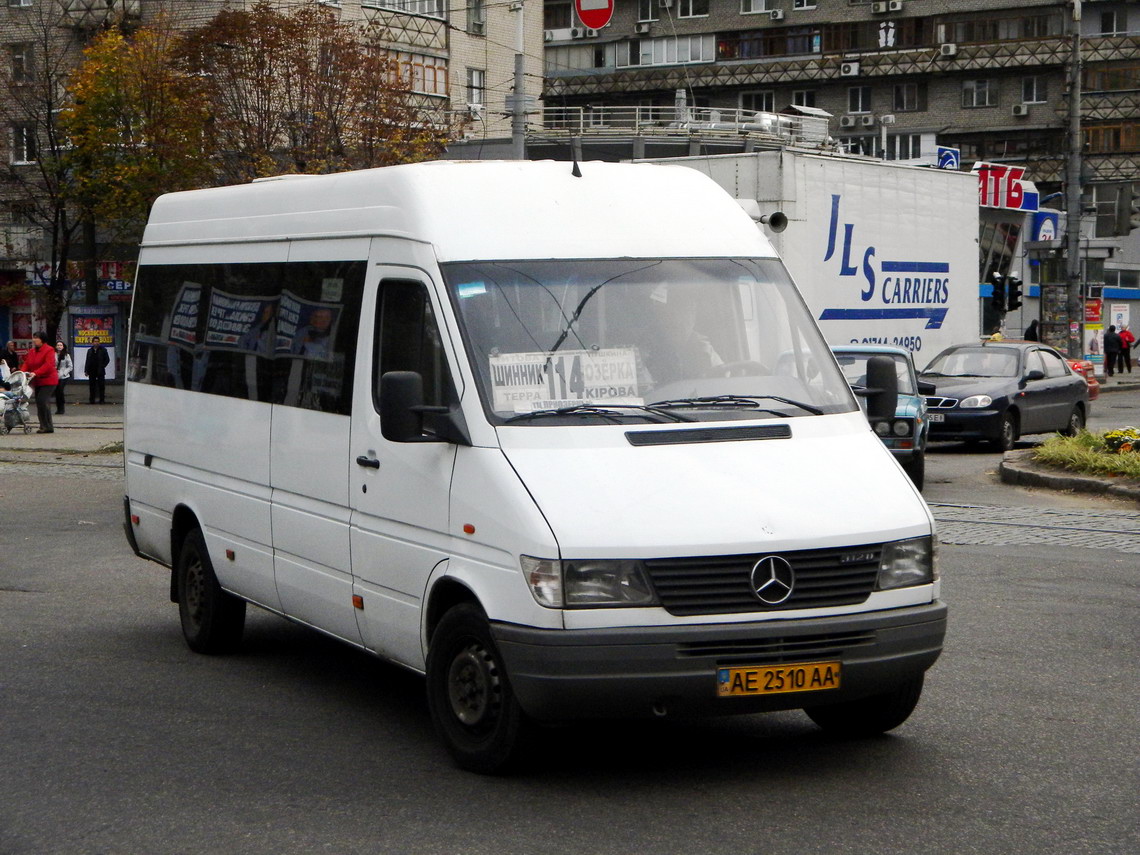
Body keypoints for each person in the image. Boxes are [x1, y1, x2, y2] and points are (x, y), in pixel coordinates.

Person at [18, 331, 58, 433]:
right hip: (38, 381)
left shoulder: (49, 350)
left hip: (49, 380)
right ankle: (46, 426)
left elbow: (48, 365)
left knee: (42, 401)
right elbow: (27, 363)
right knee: (41, 402)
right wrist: (21, 373)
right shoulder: (32, 351)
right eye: (34, 337)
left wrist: (36, 372)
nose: (34, 340)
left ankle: (46, 426)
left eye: (37, 338)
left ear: (42, 339)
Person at [85, 338, 110, 404]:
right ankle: (92, 400)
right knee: (92, 386)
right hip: (92, 370)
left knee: (101, 386)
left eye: (98, 341)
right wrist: (86, 370)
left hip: (100, 370)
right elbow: (87, 361)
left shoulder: (103, 350)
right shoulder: (90, 351)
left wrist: (102, 366)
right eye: (95, 341)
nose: (96, 343)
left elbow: (107, 359)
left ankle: (102, 400)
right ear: (92, 343)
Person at [54, 340, 73, 414]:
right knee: (57, 392)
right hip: (55, 375)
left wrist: (65, 373)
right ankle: (58, 408)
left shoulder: (66, 355)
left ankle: (62, 407)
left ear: (63, 346)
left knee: (60, 391)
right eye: (58, 345)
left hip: (64, 376)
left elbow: (70, 366)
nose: (59, 347)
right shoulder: (53, 354)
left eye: (60, 345)